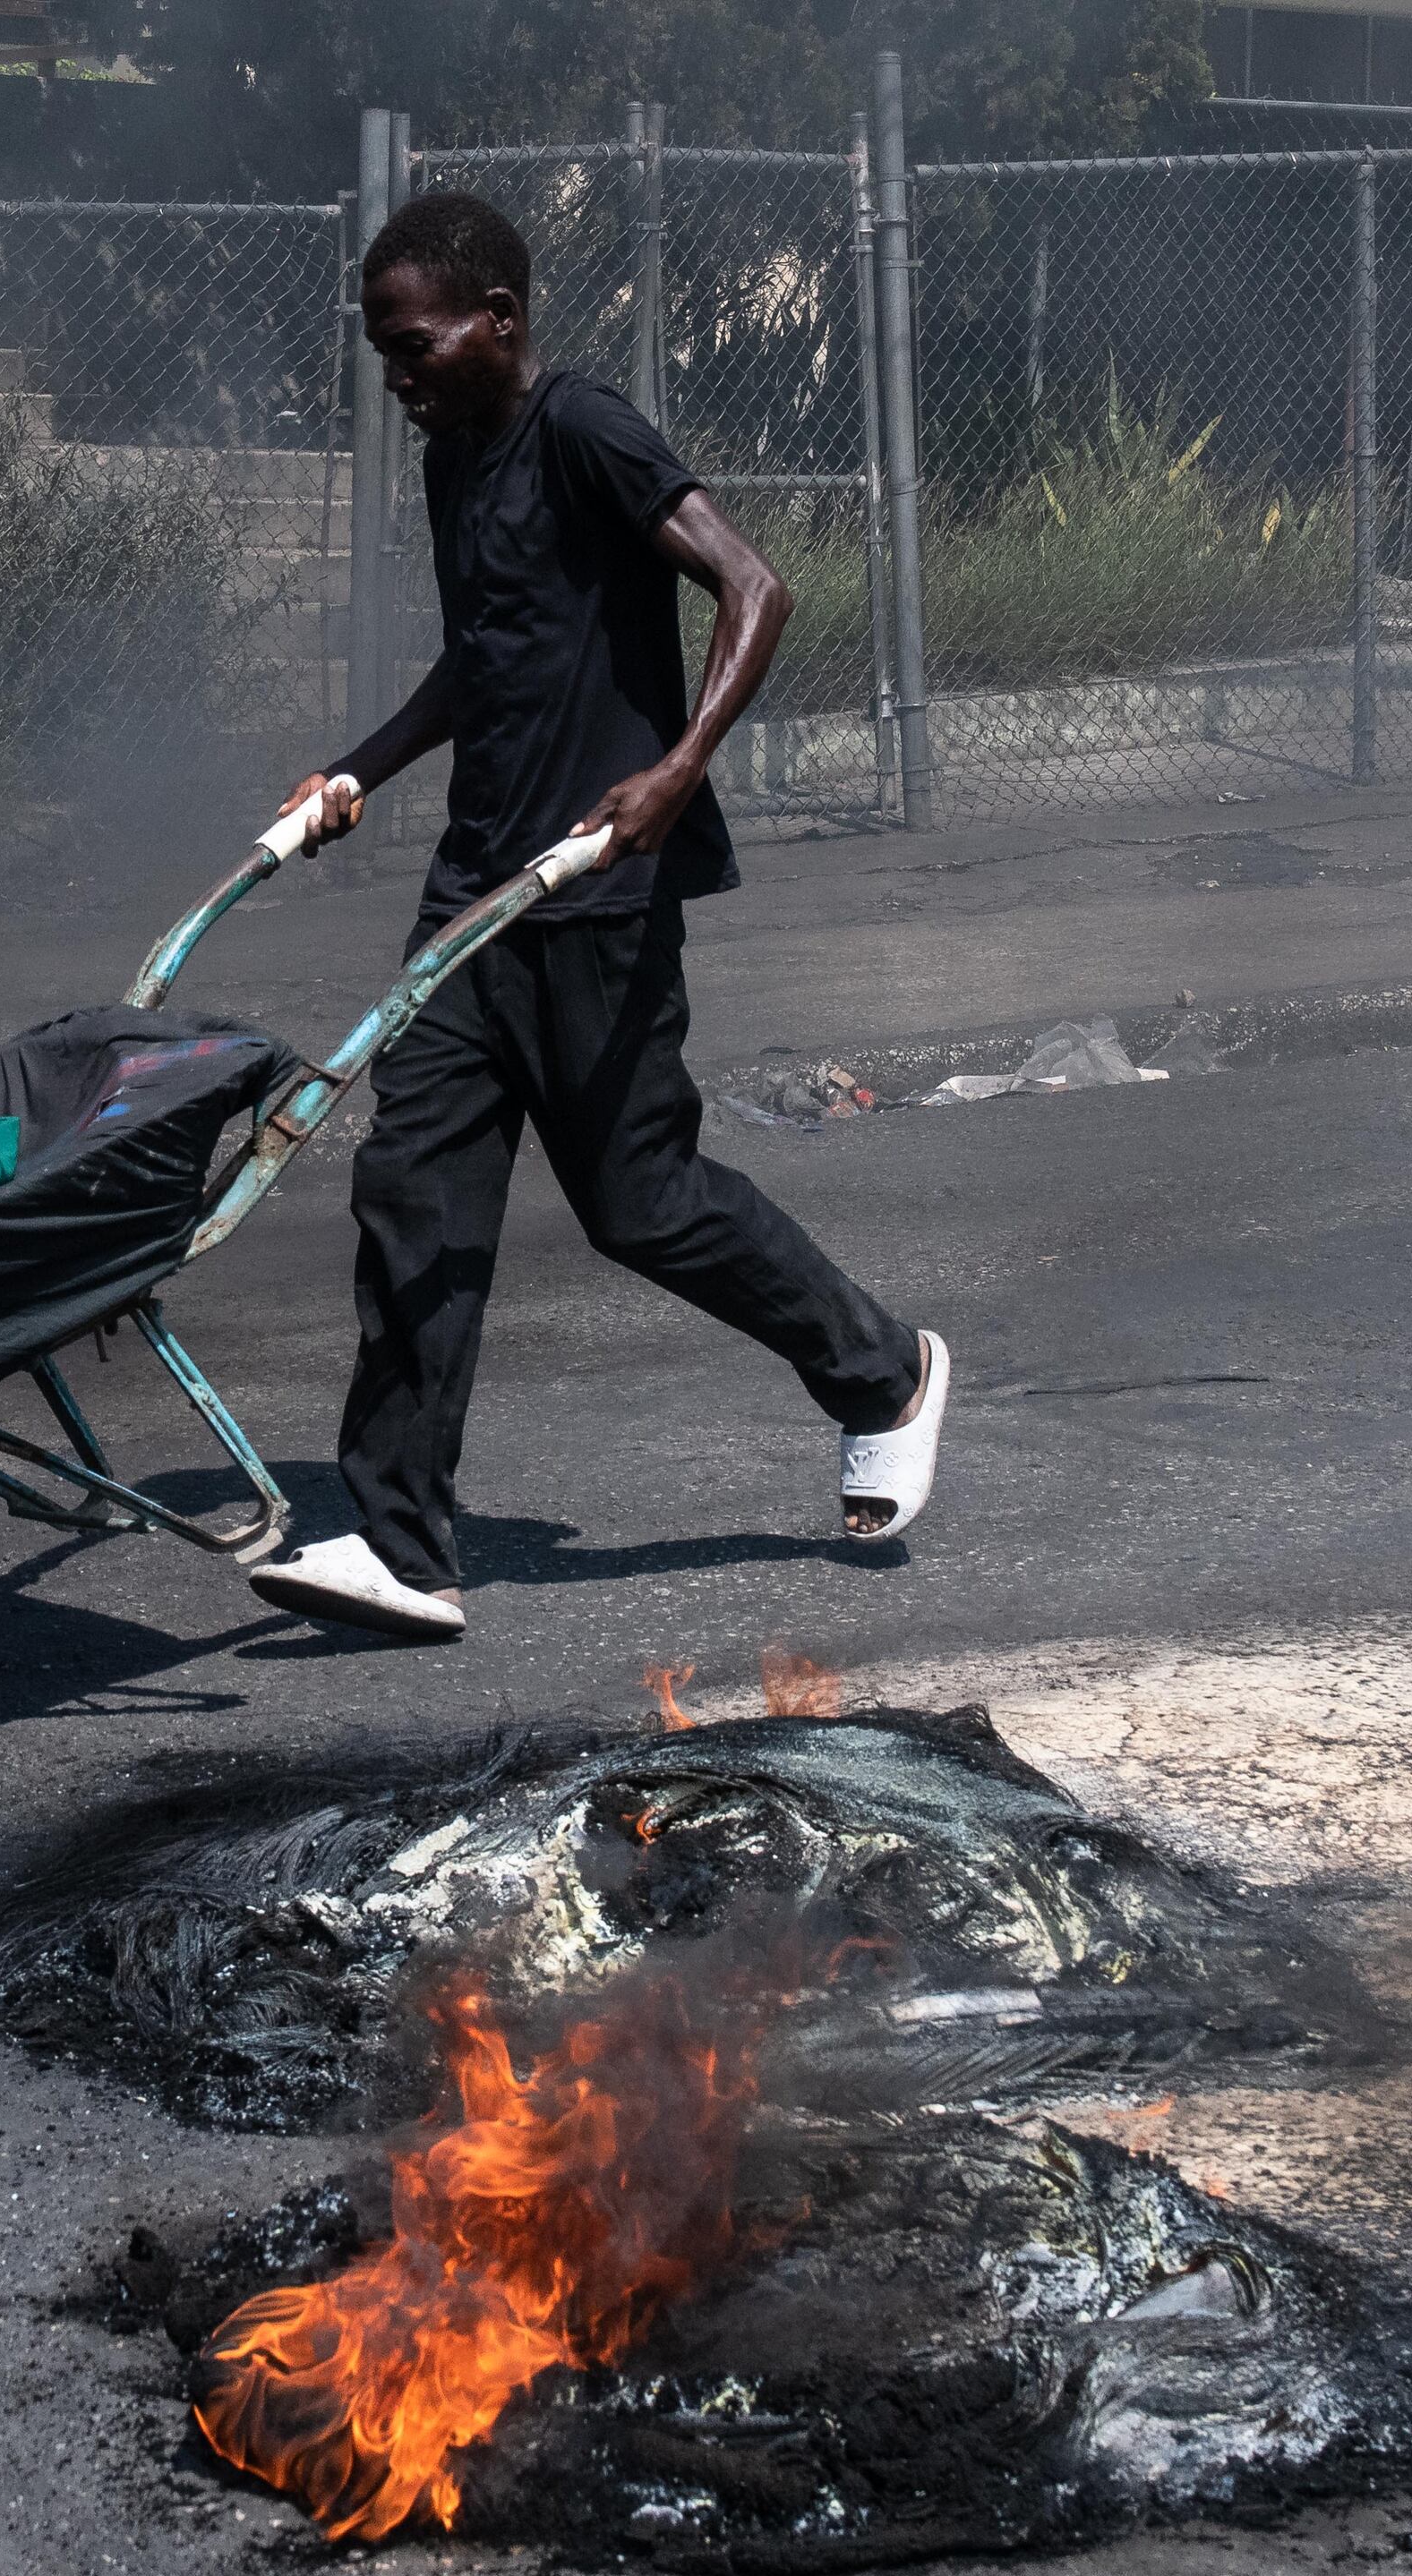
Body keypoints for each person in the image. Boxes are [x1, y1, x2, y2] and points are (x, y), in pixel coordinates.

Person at [245, 192, 951, 1647]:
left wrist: (676, 772)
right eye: (382, 350)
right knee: (413, 1190)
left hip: (595, 888)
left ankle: (881, 1373)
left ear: (496, 321)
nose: (399, 374)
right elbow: (480, 659)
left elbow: (757, 586)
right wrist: (355, 771)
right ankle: (401, 1541)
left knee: (642, 1205)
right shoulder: (453, 461)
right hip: (476, 895)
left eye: (416, 342)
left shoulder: (584, 427)